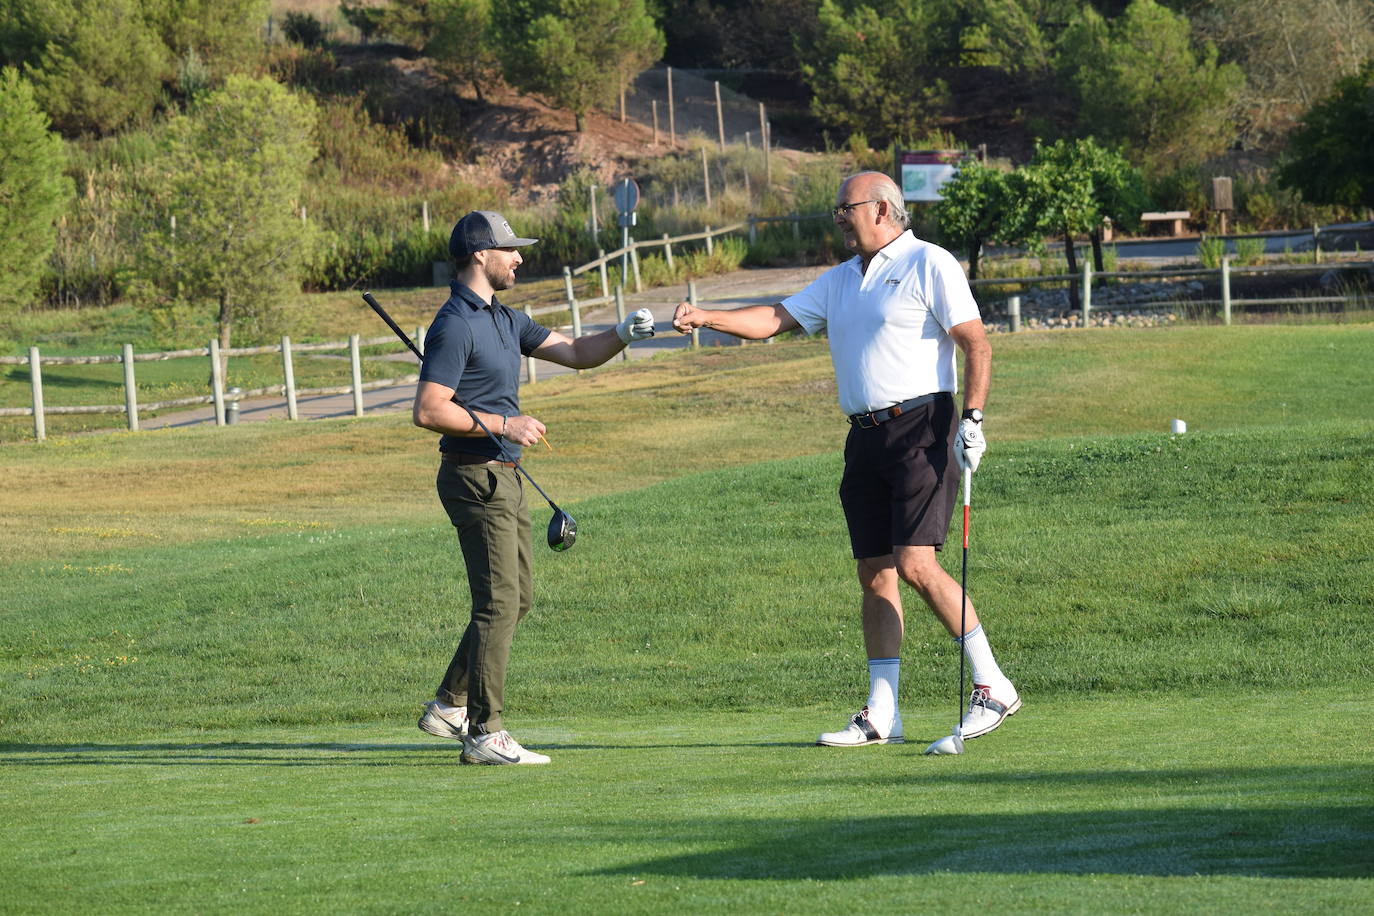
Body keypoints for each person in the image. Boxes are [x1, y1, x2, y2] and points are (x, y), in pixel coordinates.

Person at [672, 171, 1019, 747]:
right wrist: (708, 317)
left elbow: (976, 343)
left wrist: (976, 419)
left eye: (845, 208)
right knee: (875, 571)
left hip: (921, 428)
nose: (838, 218)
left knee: (915, 564)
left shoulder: (929, 262)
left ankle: (992, 684)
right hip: (864, 437)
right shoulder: (839, 280)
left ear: (882, 209)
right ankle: (883, 713)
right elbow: (773, 321)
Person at [413, 209, 655, 765]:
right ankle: (484, 732)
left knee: (517, 599)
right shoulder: (455, 323)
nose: (520, 257)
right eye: (510, 249)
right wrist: (506, 425)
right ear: (480, 254)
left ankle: (451, 703)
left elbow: (574, 354)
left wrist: (621, 334)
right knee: (497, 603)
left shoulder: (504, 318)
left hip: (506, 475)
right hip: (476, 477)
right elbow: (429, 410)